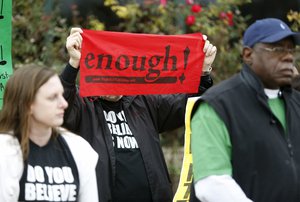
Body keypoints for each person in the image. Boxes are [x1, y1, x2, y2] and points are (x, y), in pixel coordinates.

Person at [60, 27, 216, 202]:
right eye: (107, 69)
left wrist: (203, 72)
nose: (113, 76)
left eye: (119, 68)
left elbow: (186, 107)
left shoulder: (142, 100)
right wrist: (73, 64)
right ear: (94, 69)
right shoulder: (83, 103)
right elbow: (60, 110)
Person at [191, 18, 300, 202]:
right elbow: (211, 184)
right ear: (248, 55)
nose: (288, 56)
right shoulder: (217, 105)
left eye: (291, 49)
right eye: (277, 49)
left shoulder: (296, 103)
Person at [0, 65, 99, 202]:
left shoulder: (80, 150)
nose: (64, 103)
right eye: (53, 97)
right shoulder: (4, 152)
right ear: (28, 104)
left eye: (61, 95)